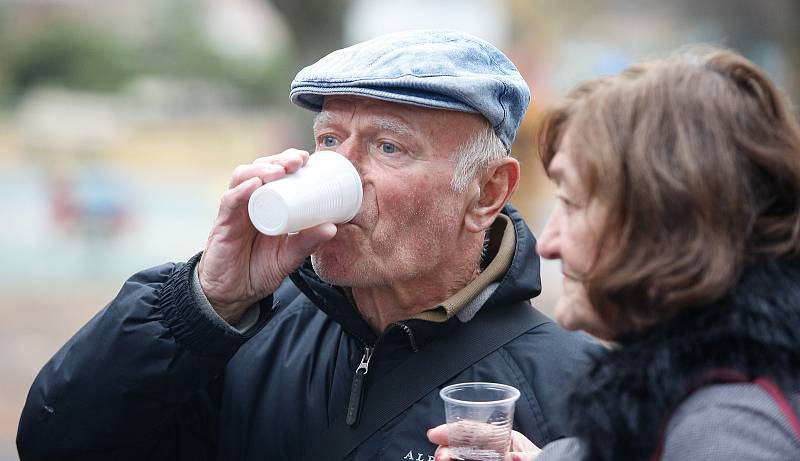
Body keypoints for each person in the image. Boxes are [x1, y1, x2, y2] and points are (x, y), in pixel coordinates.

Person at [17, 29, 598, 461]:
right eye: (328, 139)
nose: (338, 171)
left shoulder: (581, 387)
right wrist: (197, 304)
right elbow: (57, 442)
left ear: (485, 191)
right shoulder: (238, 337)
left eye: (387, 147)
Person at [429, 48, 800, 460]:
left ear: (660, 223)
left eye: (570, 203)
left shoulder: (726, 431)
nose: (548, 242)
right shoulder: (706, 398)